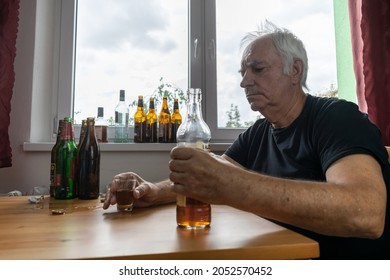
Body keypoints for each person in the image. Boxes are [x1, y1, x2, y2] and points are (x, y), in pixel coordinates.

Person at [104, 21, 390, 259]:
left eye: (258, 69)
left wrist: (234, 186)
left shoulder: (337, 117)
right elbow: (211, 173)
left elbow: (366, 214)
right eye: (243, 73)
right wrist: (152, 190)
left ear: (295, 70)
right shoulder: (259, 132)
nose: (244, 82)